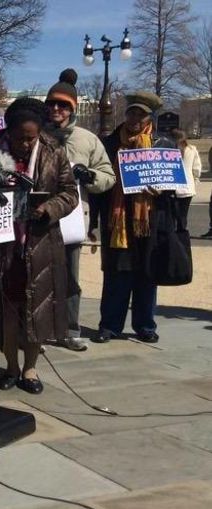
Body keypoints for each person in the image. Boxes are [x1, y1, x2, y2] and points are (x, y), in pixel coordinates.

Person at [0, 98, 78, 394]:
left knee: (36, 309)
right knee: (7, 310)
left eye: (31, 138)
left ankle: (30, 367)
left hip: (40, 242)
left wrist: (49, 208)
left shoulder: (54, 152)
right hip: (1, 243)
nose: (26, 144)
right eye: (19, 138)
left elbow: (69, 193)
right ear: (8, 132)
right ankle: (10, 367)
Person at [90, 91, 174, 344]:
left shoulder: (163, 144)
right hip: (117, 219)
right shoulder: (110, 143)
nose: (135, 117)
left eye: (141, 113)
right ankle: (110, 325)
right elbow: (100, 185)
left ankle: (145, 324)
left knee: (148, 274)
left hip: (150, 218)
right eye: (132, 112)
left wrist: (162, 190)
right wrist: (92, 221)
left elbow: (174, 185)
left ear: (151, 117)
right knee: (117, 273)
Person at [45, 69, 116, 352]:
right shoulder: (33, 134)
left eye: (63, 105)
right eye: (52, 104)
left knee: (69, 279)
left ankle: (68, 329)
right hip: (39, 217)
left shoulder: (87, 140)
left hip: (72, 219)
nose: (57, 110)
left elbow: (108, 176)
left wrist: (91, 177)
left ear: (72, 109)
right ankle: (38, 331)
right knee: (36, 276)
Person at [170, 128, 201, 219]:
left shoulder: (168, 151)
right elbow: (196, 169)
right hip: (187, 188)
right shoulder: (192, 149)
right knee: (183, 216)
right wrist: (195, 180)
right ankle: (182, 232)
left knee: (172, 217)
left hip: (172, 188)